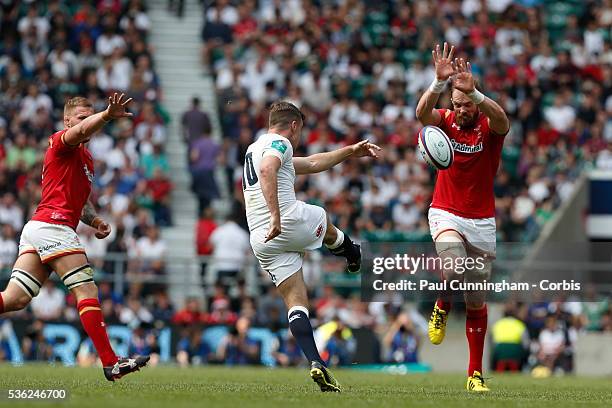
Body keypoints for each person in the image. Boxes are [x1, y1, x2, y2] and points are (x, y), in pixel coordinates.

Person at [0, 93, 149, 381]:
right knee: (86, 290)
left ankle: (110, 362)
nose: (85, 122)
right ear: (67, 120)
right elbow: (81, 131)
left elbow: (80, 202)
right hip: (53, 226)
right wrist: (106, 115)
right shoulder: (61, 141)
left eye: (89, 115)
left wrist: (94, 220)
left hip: (38, 228)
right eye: (81, 117)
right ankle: (110, 362)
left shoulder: (86, 159)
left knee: (15, 299)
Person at [243, 101, 380, 392]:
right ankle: (352, 253)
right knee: (320, 215)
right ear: (294, 125)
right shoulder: (280, 142)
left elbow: (315, 162)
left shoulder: (255, 147)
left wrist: (351, 151)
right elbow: (268, 171)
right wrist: (277, 216)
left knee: (296, 300)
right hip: (282, 221)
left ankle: (317, 362)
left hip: (260, 239)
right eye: (300, 129)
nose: (299, 136)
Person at [416, 43, 510, 392]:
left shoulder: (488, 124)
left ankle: (474, 375)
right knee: (454, 268)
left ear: (474, 100)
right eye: (455, 105)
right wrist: (437, 85)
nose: (459, 110)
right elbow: (422, 114)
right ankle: (441, 303)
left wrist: (477, 93)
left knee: (476, 300)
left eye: (464, 104)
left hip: (482, 219)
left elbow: (504, 120)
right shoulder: (446, 120)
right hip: (446, 212)